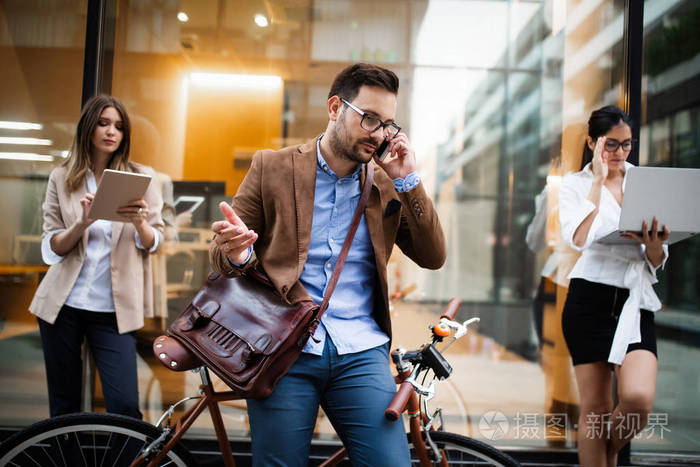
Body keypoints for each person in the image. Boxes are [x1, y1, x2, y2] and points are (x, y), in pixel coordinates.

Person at [209, 63, 446, 465]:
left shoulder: (388, 181)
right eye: (369, 119)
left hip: (361, 348)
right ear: (336, 108)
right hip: (283, 346)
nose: (379, 134)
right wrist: (238, 254)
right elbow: (222, 256)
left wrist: (408, 179)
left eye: (388, 124)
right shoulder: (273, 167)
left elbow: (433, 256)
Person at [29, 94, 164, 419]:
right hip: (63, 306)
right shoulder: (62, 178)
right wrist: (83, 222)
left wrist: (139, 221)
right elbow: (52, 248)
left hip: (114, 310)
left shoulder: (142, 177)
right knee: (64, 408)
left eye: (118, 126)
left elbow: (155, 242)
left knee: (124, 407)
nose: (111, 131)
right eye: (103, 123)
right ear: (88, 128)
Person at [559, 105, 669, 467]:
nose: (619, 153)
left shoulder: (644, 181)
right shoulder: (574, 185)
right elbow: (577, 238)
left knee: (637, 400)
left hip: (634, 301)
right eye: (610, 145)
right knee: (596, 409)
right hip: (589, 299)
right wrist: (596, 181)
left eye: (626, 145)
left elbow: (656, 258)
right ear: (592, 143)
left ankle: (604, 453)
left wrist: (654, 245)